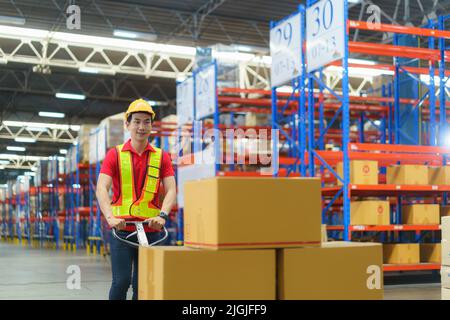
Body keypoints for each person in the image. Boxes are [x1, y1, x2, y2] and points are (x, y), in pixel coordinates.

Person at [96, 99, 176, 300]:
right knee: (121, 281)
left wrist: (163, 215)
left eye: (147, 122)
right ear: (127, 124)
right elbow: (101, 188)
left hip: (152, 231)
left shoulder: (161, 156)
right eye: (137, 121)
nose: (142, 127)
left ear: (151, 125)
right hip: (122, 230)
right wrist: (110, 218)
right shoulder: (114, 155)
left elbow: (172, 189)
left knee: (143, 287)